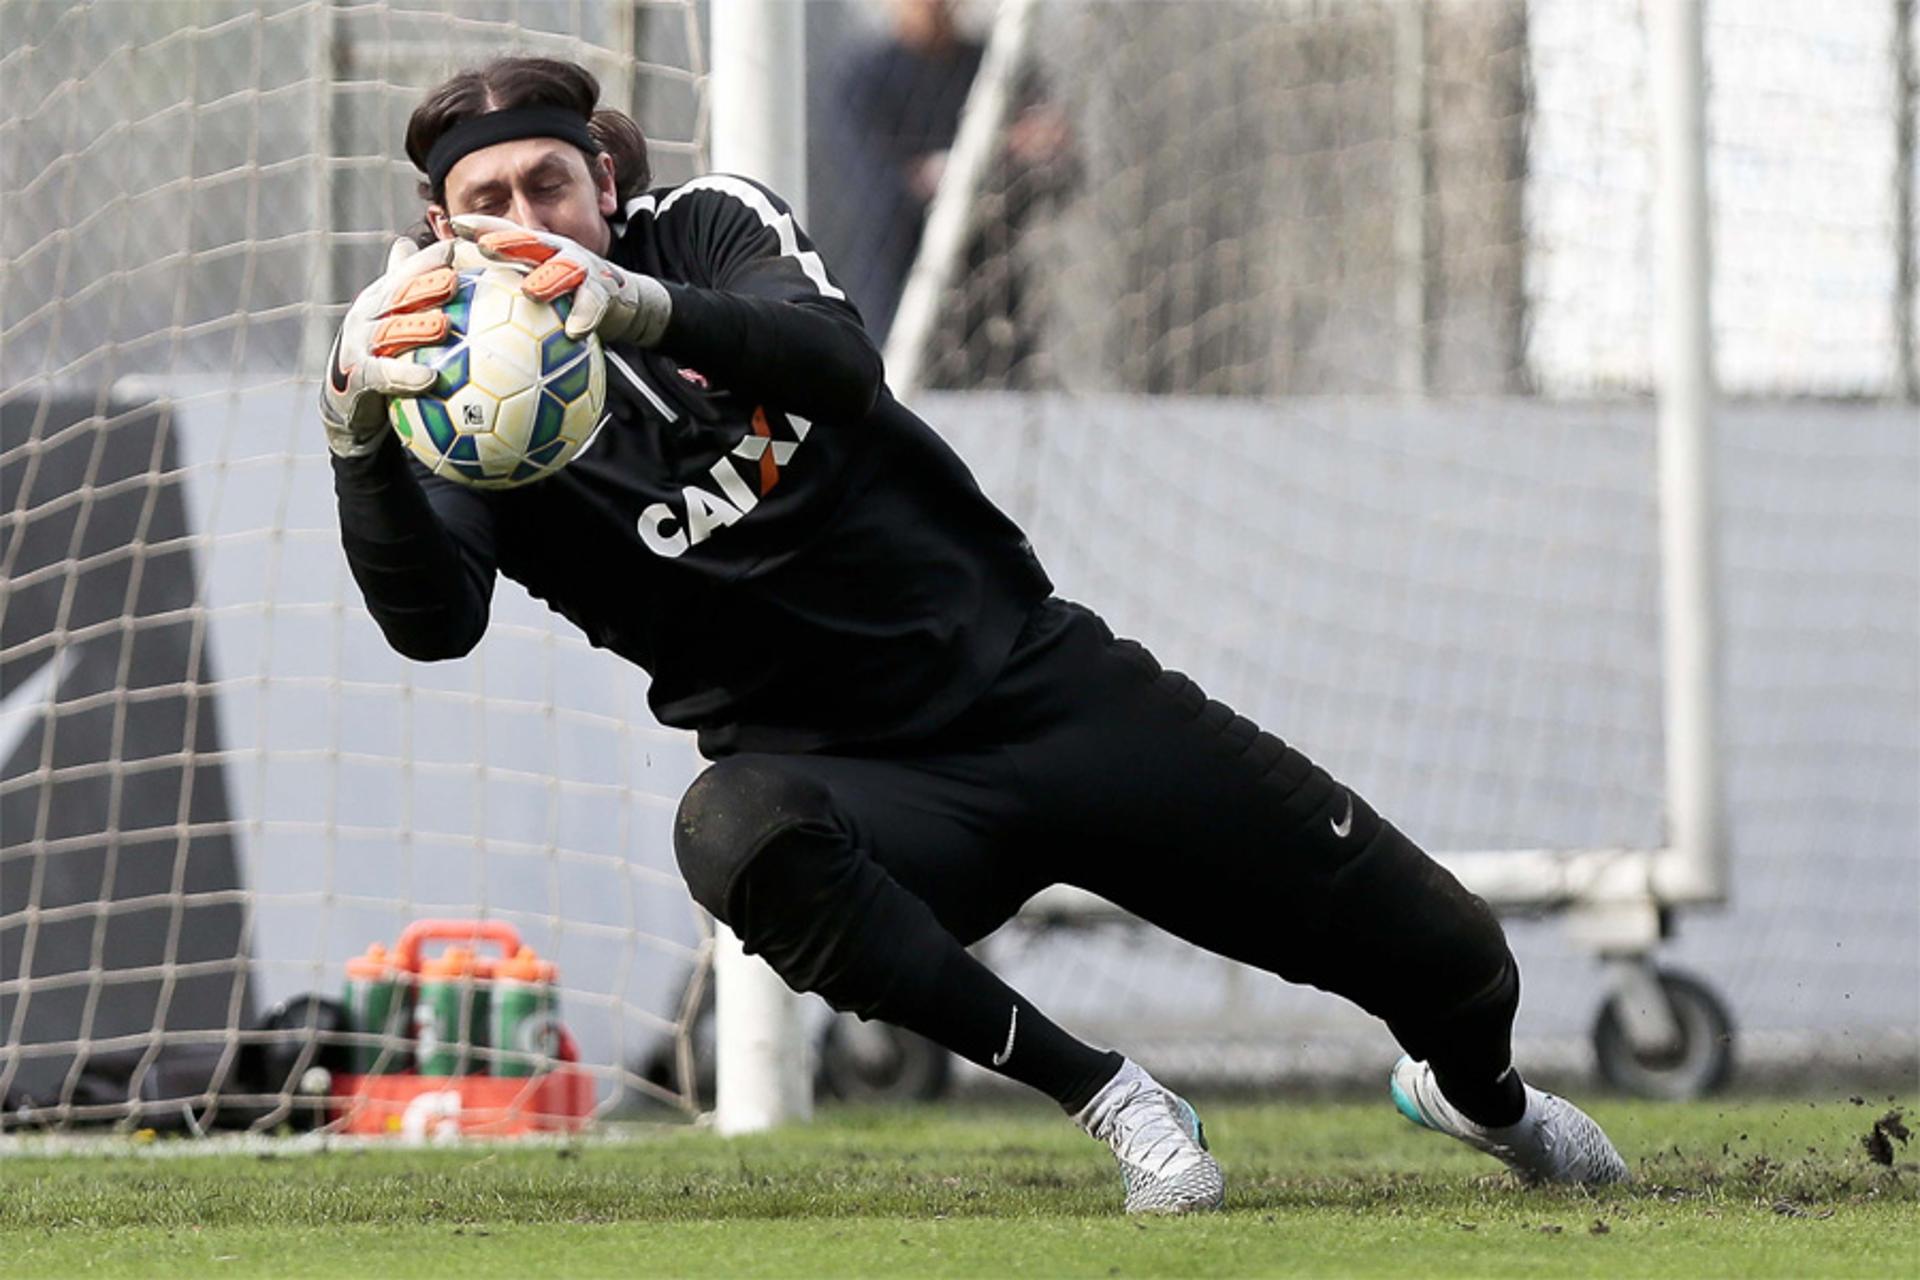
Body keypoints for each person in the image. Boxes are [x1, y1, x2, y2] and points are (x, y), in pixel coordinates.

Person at [322, 56, 1627, 1214]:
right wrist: (355, 433)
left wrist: (634, 306)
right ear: (440, 229)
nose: (523, 223)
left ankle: (1488, 1102)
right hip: (866, 787)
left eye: (548, 183)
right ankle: (1114, 1099)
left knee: (1455, 961)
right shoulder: (450, 397)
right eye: (485, 203)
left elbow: (836, 361)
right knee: (733, 830)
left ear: (603, 175)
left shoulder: (707, 231)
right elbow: (434, 624)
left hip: (1045, 692)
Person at [818, 0, 1071, 382]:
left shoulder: (997, 70)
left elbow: (1056, 168)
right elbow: (883, 189)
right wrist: (1002, 152)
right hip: (894, 304)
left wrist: (1038, 152)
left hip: (994, 312)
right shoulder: (864, 79)